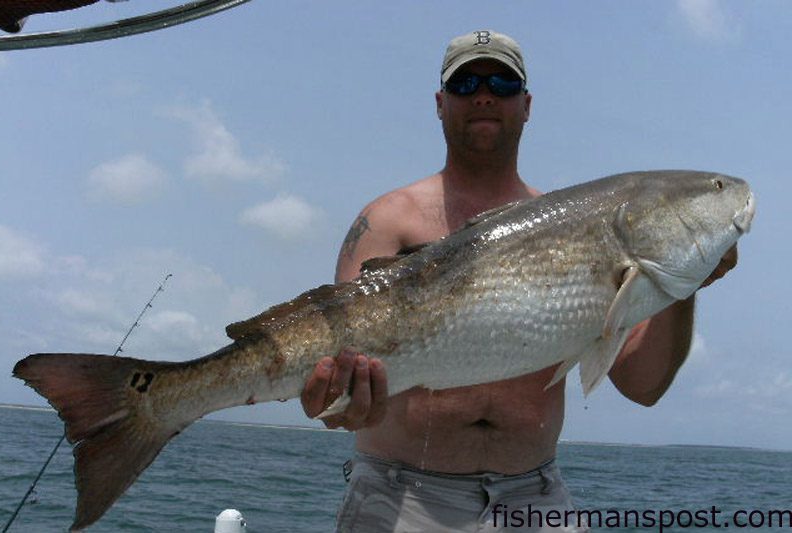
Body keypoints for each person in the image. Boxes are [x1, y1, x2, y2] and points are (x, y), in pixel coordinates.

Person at [300, 30, 738, 532]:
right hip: (403, 495)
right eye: (465, 83)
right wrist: (340, 404)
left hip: (536, 496)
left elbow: (641, 386)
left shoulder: (581, 231)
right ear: (440, 104)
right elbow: (337, 386)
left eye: (502, 83)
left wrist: (682, 287)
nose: (483, 94)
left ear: (526, 105)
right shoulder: (387, 221)